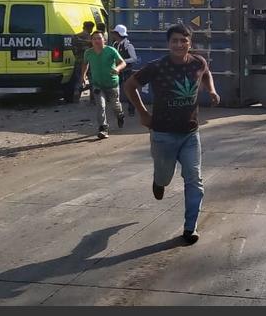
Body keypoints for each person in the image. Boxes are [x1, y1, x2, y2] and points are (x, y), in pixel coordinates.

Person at [124, 23, 219, 244]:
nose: (179, 44)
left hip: (190, 134)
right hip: (163, 134)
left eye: (183, 40)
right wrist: (143, 113)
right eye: (174, 40)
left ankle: (190, 228)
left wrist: (212, 91)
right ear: (168, 44)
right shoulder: (157, 67)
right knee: (165, 177)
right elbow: (130, 85)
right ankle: (159, 182)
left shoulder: (198, 62)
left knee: (194, 179)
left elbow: (205, 74)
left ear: (190, 43)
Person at [80, 31, 126, 139]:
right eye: (94, 39)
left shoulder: (111, 50)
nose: (97, 41)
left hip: (112, 83)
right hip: (97, 84)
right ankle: (103, 128)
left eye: (99, 38)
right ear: (91, 41)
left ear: (104, 40)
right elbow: (85, 64)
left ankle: (120, 115)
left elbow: (122, 62)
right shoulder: (88, 53)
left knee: (115, 105)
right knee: (101, 106)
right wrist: (83, 76)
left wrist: (117, 68)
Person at [111, 24, 138, 117]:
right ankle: (117, 109)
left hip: (127, 71)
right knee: (115, 90)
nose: (113, 35)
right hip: (117, 71)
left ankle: (132, 109)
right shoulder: (115, 44)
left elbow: (134, 58)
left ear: (118, 34)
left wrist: (122, 61)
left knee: (129, 90)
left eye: (114, 33)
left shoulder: (128, 45)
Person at [69, 21, 94, 103]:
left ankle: (76, 99)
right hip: (90, 61)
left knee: (78, 80)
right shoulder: (92, 38)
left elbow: (73, 49)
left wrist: (77, 56)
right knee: (92, 80)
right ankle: (93, 100)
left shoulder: (75, 37)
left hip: (79, 61)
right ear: (90, 28)